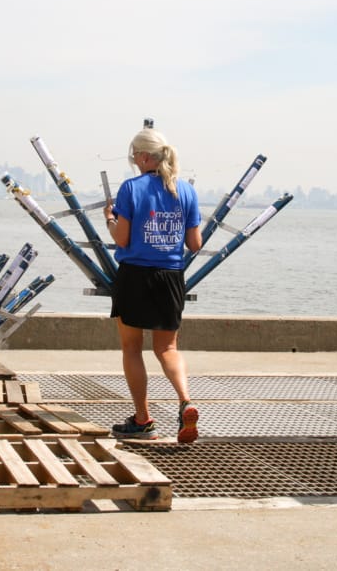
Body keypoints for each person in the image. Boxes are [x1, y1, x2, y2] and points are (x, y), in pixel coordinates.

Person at [104, 128, 203, 442]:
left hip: (135, 275)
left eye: (135, 155)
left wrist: (110, 219)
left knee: (132, 348)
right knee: (168, 348)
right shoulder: (186, 191)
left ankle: (143, 420)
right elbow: (195, 244)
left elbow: (121, 238)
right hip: (170, 276)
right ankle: (185, 401)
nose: (134, 161)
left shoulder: (131, 188)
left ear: (145, 157)